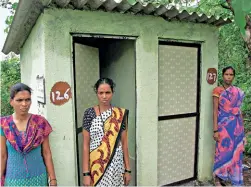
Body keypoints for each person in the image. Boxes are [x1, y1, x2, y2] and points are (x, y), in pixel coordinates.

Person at [0, 83, 57, 186]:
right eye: (19, 100)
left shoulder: (40, 123)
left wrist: (53, 179)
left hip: (38, 178)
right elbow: (2, 156)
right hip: (13, 180)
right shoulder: (4, 124)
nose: (24, 104)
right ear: (11, 102)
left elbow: (46, 153)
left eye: (27, 99)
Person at [82, 78, 131, 186]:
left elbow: (124, 143)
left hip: (116, 165)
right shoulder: (89, 114)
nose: (104, 96)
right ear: (97, 93)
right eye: (101, 93)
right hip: (97, 166)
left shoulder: (120, 115)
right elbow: (85, 145)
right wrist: (86, 173)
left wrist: (127, 169)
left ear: (112, 93)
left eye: (107, 92)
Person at [212, 66, 247, 186]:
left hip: (236, 127)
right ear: (223, 75)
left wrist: (243, 131)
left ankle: (234, 179)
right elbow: (215, 111)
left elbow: (239, 111)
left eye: (231, 75)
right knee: (221, 152)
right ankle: (219, 178)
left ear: (233, 76)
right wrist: (215, 130)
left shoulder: (237, 91)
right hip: (223, 127)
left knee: (236, 154)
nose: (229, 77)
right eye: (226, 74)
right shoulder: (217, 91)